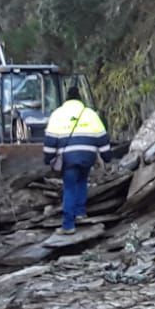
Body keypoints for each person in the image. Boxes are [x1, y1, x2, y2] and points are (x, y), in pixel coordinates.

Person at [42, 98, 111, 234]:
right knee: (82, 181)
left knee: (69, 187)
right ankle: (80, 212)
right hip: (87, 157)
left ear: (66, 100)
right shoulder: (91, 114)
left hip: (68, 158)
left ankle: (68, 225)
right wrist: (107, 157)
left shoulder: (58, 114)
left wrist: (48, 159)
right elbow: (102, 138)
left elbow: (50, 140)